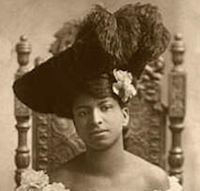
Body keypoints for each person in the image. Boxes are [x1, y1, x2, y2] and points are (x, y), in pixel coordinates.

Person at [13, 3, 181, 191]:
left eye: (105, 107)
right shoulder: (57, 184)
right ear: (75, 122)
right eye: (83, 113)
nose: (95, 120)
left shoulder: (153, 181)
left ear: (124, 115)